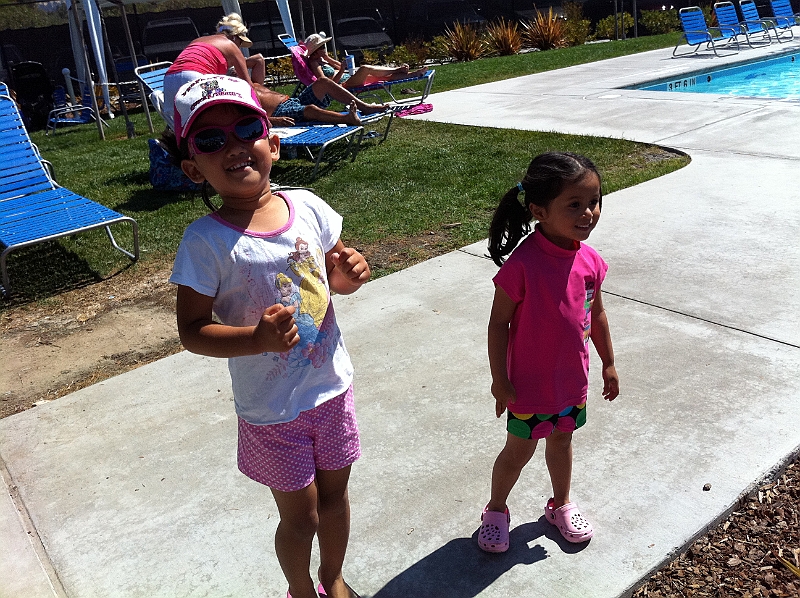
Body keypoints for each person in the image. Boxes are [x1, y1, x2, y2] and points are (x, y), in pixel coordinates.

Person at [168, 74, 370, 598]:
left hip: (331, 389)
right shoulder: (206, 242)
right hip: (272, 409)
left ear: (273, 143)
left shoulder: (308, 206)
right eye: (211, 139)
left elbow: (333, 277)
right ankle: (300, 589)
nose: (234, 145)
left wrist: (350, 272)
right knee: (301, 518)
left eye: (246, 129)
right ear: (194, 169)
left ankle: (333, 578)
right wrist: (255, 340)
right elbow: (192, 331)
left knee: (336, 500)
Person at [478, 152, 619, 552]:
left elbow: (596, 314)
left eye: (594, 201)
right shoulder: (523, 265)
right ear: (539, 211)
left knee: (561, 443)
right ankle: (496, 509)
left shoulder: (590, 261)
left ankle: (560, 504)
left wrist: (609, 363)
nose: (588, 213)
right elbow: (498, 324)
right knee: (517, 452)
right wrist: (500, 380)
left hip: (571, 383)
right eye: (574, 204)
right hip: (529, 388)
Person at [163, 13, 265, 126]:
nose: (239, 46)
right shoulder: (231, 46)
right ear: (235, 37)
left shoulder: (198, 40)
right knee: (214, 116)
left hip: (169, 78)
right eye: (240, 42)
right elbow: (248, 86)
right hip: (195, 76)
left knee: (183, 123)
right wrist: (263, 115)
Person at [303, 33, 427, 90]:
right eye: (322, 47)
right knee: (364, 68)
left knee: (385, 77)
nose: (325, 49)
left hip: (348, 78)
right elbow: (327, 84)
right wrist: (341, 71)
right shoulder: (314, 63)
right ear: (316, 51)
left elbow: (340, 66)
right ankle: (397, 69)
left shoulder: (321, 60)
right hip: (343, 85)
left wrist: (328, 59)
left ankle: (414, 74)